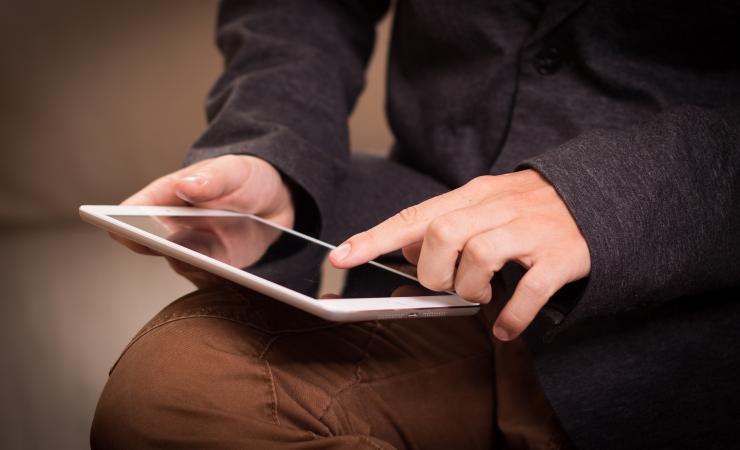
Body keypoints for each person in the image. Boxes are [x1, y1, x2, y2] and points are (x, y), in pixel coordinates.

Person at [91, 1, 740, 449]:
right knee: (176, 393)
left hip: (689, 317)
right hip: (426, 277)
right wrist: (277, 151)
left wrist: (605, 198)